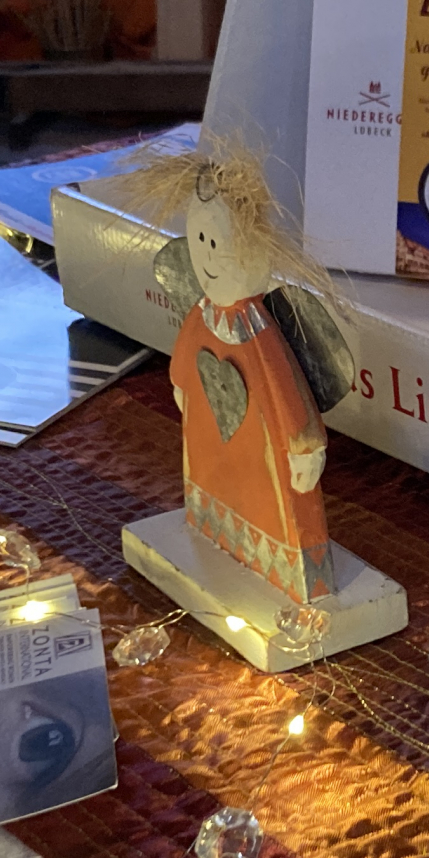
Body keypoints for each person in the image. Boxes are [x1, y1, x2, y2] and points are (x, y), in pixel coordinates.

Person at [126, 141, 344, 605]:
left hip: (262, 445)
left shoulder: (258, 335)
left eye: (215, 243)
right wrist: (181, 383)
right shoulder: (201, 315)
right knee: (215, 475)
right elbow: (186, 356)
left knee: (274, 500)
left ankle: (302, 579)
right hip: (211, 435)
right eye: (200, 241)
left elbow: (285, 390)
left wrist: (305, 445)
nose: (206, 257)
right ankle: (216, 525)